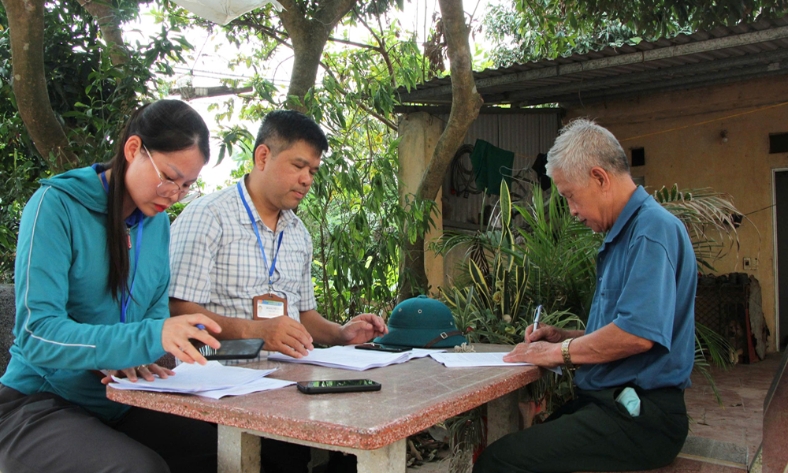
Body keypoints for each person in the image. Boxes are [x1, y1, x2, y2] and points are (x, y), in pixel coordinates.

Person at [0, 100, 223, 473]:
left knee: (221, 443)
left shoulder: (157, 226)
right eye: (168, 177)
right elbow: (37, 333)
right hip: (38, 400)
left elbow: (150, 319)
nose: (174, 194)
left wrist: (145, 355)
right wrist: (139, 340)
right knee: (136, 468)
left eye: (187, 185)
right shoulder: (55, 206)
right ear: (133, 149)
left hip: (119, 400)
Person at [168, 109, 388, 473]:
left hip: (285, 384)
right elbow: (177, 310)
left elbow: (303, 315)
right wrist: (255, 332)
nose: (306, 179)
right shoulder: (208, 216)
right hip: (216, 388)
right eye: (298, 165)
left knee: (357, 446)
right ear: (263, 156)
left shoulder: (298, 232)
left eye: (313, 171)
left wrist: (340, 332)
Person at [473, 118, 696, 473]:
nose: (572, 211)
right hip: (615, 405)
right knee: (524, 447)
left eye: (570, 196)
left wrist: (557, 353)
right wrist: (564, 337)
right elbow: (625, 327)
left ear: (600, 178)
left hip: (640, 416)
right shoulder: (625, 234)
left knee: (500, 463)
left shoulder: (651, 231)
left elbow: (637, 336)